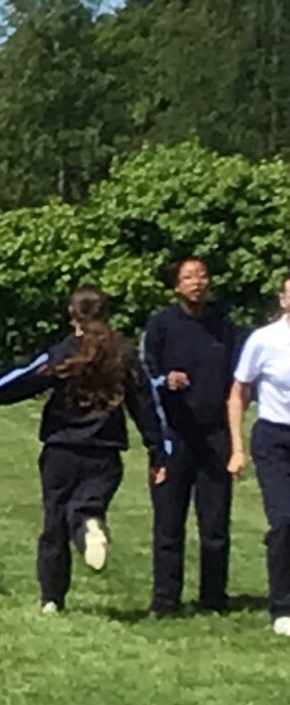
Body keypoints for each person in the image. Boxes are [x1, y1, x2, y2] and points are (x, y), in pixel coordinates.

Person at [0, 285, 169, 613]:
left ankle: (51, 599)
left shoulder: (64, 352)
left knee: (54, 524)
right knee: (88, 506)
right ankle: (90, 523)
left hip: (60, 450)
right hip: (105, 452)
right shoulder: (124, 353)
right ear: (106, 313)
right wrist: (157, 449)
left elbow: (25, 380)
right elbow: (145, 403)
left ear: (72, 314)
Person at [142, 256, 242, 616]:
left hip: (215, 434)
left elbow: (240, 379)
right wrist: (165, 380)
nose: (197, 282)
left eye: (202, 275)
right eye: (188, 277)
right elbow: (145, 373)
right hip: (174, 434)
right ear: (176, 286)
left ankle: (214, 597)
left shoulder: (224, 327)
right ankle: (165, 600)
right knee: (169, 522)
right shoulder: (161, 324)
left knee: (215, 523)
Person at [226, 274, 290, 635]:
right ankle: (283, 607)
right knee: (284, 521)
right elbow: (238, 393)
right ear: (283, 300)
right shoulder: (264, 341)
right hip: (274, 438)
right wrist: (237, 448)